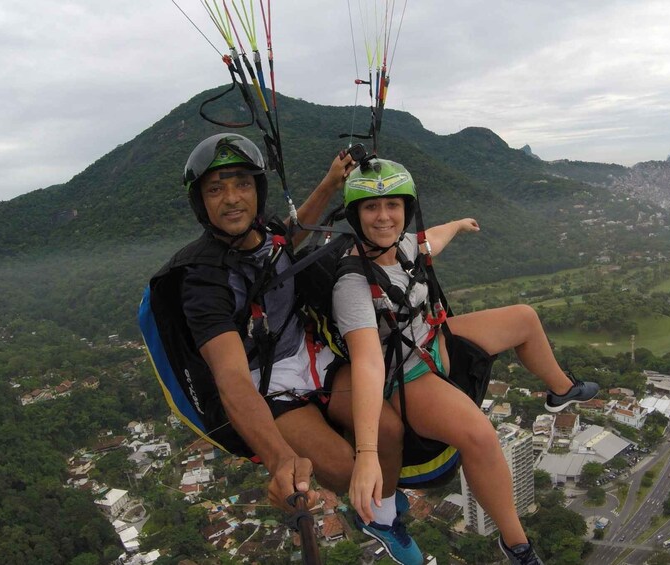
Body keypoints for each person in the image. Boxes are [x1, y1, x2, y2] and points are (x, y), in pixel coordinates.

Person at [332, 158, 600, 565]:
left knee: (524, 318)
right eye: (371, 207)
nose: (384, 216)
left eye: (393, 206)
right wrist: (368, 452)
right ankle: (516, 543)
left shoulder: (404, 246)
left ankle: (560, 391)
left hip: (435, 339)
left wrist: (458, 224)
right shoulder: (352, 285)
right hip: (404, 372)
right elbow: (368, 361)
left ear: (406, 209)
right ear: (355, 214)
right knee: (480, 436)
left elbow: (432, 239)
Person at [169, 134, 421, 562]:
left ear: (257, 190)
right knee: (344, 467)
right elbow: (230, 377)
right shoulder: (203, 282)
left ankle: (382, 507)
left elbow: (290, 235)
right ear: (201, 203)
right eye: (216, 189)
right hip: (266, 385)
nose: (231, 199)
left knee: (390, 430)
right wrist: (280, 460)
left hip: (310, 357)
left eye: (242, 184)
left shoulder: (266, 233)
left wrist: (328, 183)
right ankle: (373, 515)